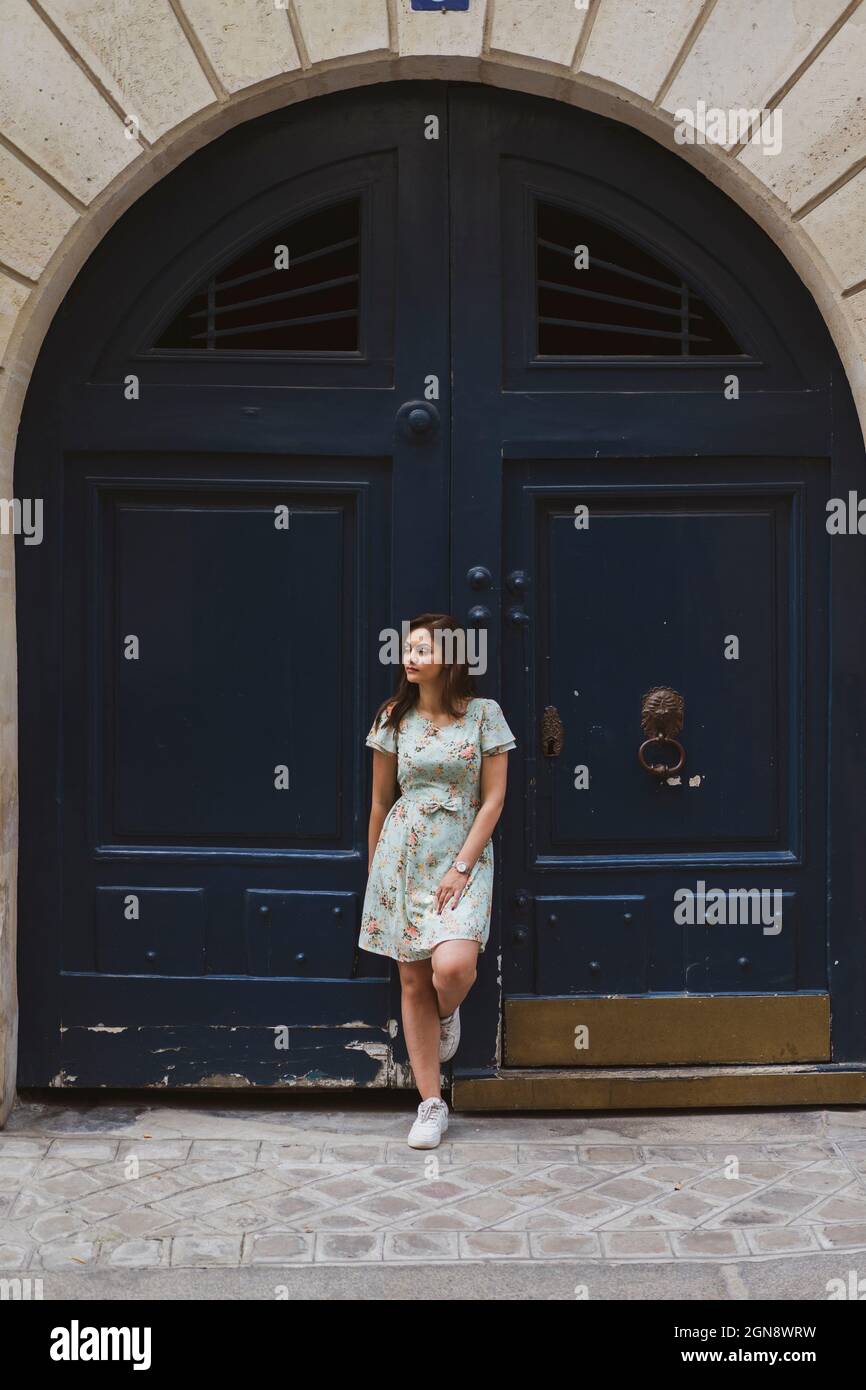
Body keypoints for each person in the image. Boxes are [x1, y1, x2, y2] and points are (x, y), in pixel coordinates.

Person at [359, 612, 516, 1148]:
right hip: (402, 858)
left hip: (462, 853)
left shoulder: (484, 716)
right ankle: (430, 1103)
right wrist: (378, 872)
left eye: (423, 649)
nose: (410, 657)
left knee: (451, 967)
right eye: (408, 649)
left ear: (450, 658)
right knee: (410, 979)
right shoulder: (392, 718)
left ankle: (445, 1011)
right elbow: (381, 801)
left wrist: (462, 866)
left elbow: (493, 799)